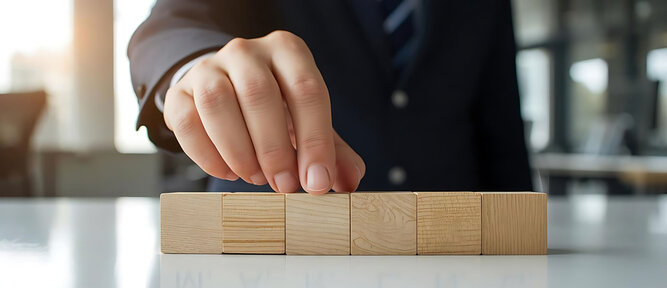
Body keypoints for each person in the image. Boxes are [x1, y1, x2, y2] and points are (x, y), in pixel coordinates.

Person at [129, 0, 533, 194]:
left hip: (452, 257)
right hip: (273, 252)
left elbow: (500, 124)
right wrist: (200, 69)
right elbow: (171, 25)